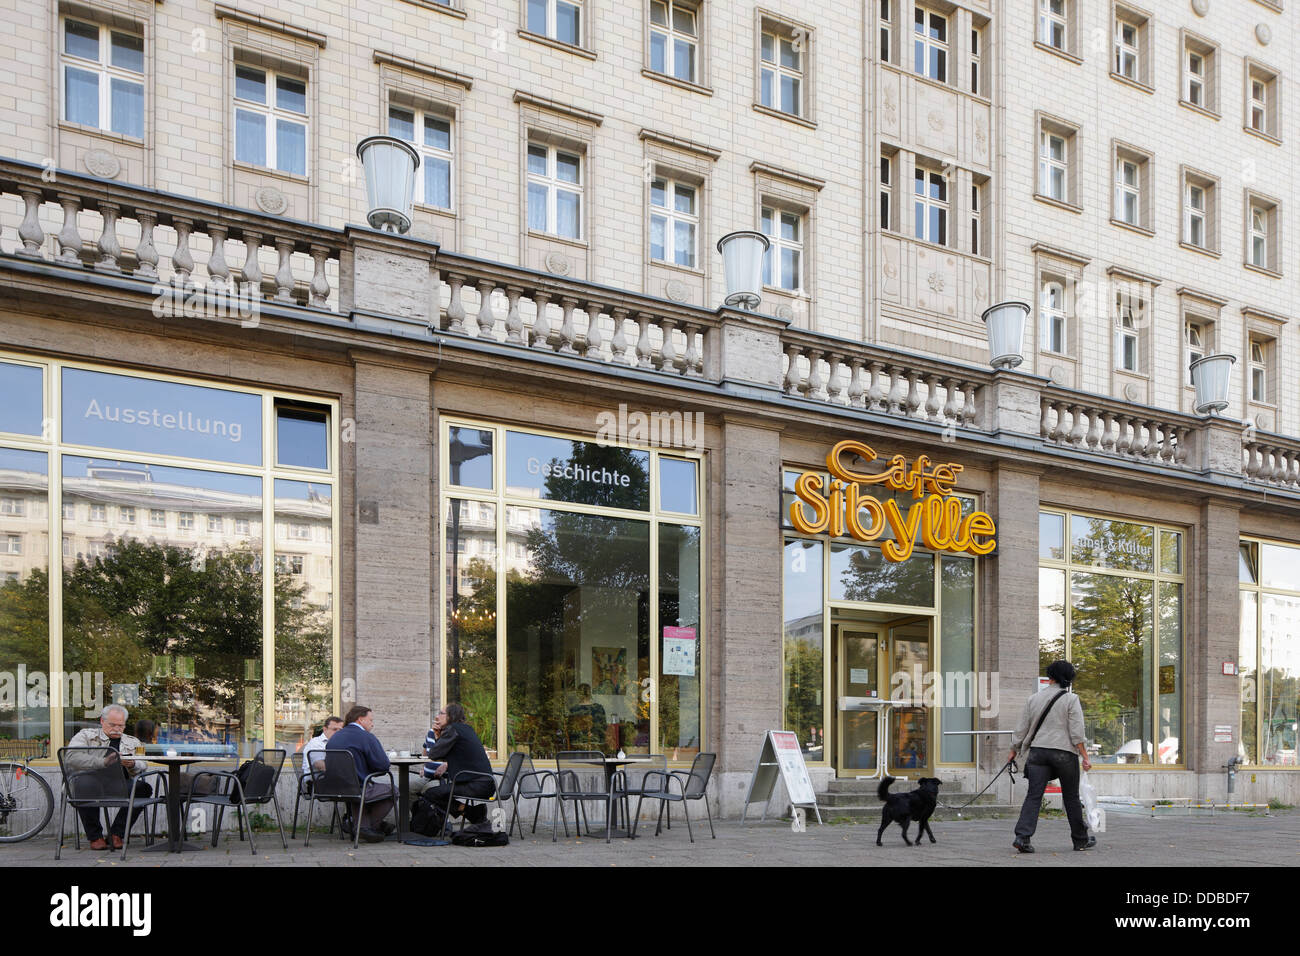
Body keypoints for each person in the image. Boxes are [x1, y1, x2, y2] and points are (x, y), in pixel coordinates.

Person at [1007, 660, 1095, 853]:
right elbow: (1077, 732)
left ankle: (1022, 837)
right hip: (1064, 753)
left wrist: (1013, 749)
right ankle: (1080, 839)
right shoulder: (1071, 699)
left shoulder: (1034, 699)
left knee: (1034, 795)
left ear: (1050, 676)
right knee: (1071, 797)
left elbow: (1021, 728)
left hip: (1038, 752)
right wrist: (1085, 756)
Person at [65, 704, 153, 851]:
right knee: (84, 785)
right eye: (112, 725)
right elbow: (71, 757)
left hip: (120, 784)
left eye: (121, 725)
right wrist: (103, 762)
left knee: (143, 789)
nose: (117, 729)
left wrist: (132, 764)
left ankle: (116, 834)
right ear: (102, 721)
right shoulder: (85, 735)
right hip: (90, 781)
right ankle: (95, 837)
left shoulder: (133, 741)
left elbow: (143, 764)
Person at [326, 705, 395, 843]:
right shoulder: (366, 737)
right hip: (357, 788)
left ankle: (361, 826)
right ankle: (366, 828)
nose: (372, 724)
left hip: (333, 788)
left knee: (361, 790)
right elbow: (383, 765)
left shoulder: (334, 736)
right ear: (360, 720)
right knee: (394, 790)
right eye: (370, 720)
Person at [420, 703, 494, 824]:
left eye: (441, 713)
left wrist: (437, 735)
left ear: (450, 716)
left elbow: (433, 754)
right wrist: (439, 736)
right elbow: (442, 754)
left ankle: (471, 812)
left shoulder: (452, 729)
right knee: (440, 792)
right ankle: (472, 812)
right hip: (484, 782)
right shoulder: (465, 728)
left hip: (476, 785)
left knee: (431, 794)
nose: (437, 717)